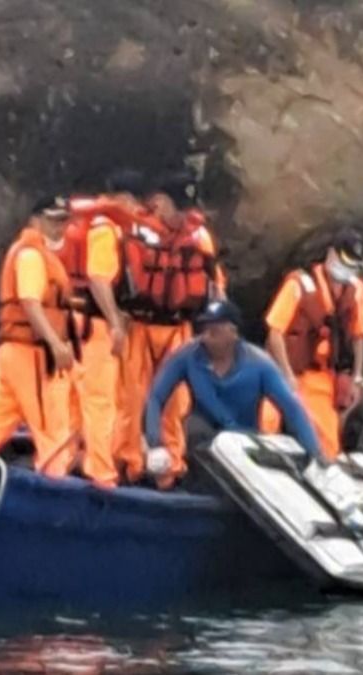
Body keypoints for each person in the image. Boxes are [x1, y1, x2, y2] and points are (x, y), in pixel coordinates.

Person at [113, 171, 228, 485]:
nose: (158, 206)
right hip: (140, 325)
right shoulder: (138, 228)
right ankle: (130, 464)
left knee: (175, 402)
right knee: (132, 398)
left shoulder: (199, 238)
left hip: (179, 328)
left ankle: (170, 469)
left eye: (185, 207)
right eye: (165, 203)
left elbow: (215, 286)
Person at [144, 300, 325, 489]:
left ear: (233, 332)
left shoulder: (259, 364)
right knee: (195, 427)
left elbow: (292, 408)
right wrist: (155, 442)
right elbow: (156, 396)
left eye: (214, 331)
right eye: (203, 329)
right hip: (204, 442)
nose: (206, 336)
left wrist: (316, 456)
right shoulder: (188, 356)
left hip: (244, 439)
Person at [0, 195, 79, 477]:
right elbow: (30, 303)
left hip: (15, 352)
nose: (59, 228)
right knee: (50, 423)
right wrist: (56, 344)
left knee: (1, 417)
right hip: (29, 352)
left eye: (63, 222)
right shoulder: (31, 255)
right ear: (35, 221)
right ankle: (54, 484)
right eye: (52, 221)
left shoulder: (38, 255)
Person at [58, 171, 146, 487]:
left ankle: (61, 463)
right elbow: (98, 278)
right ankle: (101, 473)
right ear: (125, 199)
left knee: (73, 398)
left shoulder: (87, 224)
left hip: (75, 320)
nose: (138, 212)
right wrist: (114, 320)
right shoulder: (106, 229)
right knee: (100, 399)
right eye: (137, 204)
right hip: (93, 325)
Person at [259, 227, 363, 461]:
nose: (347, 269)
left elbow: (359, 334)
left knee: (328, 443)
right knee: (267, 422)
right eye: (344, 261)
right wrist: (287, 375)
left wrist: (357, 377)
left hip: (320, 377)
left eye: (353, 265)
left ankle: (325, 472)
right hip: (283, 372)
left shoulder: (356, 289)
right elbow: (275, 332)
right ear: (330, 254)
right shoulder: (299, 284)